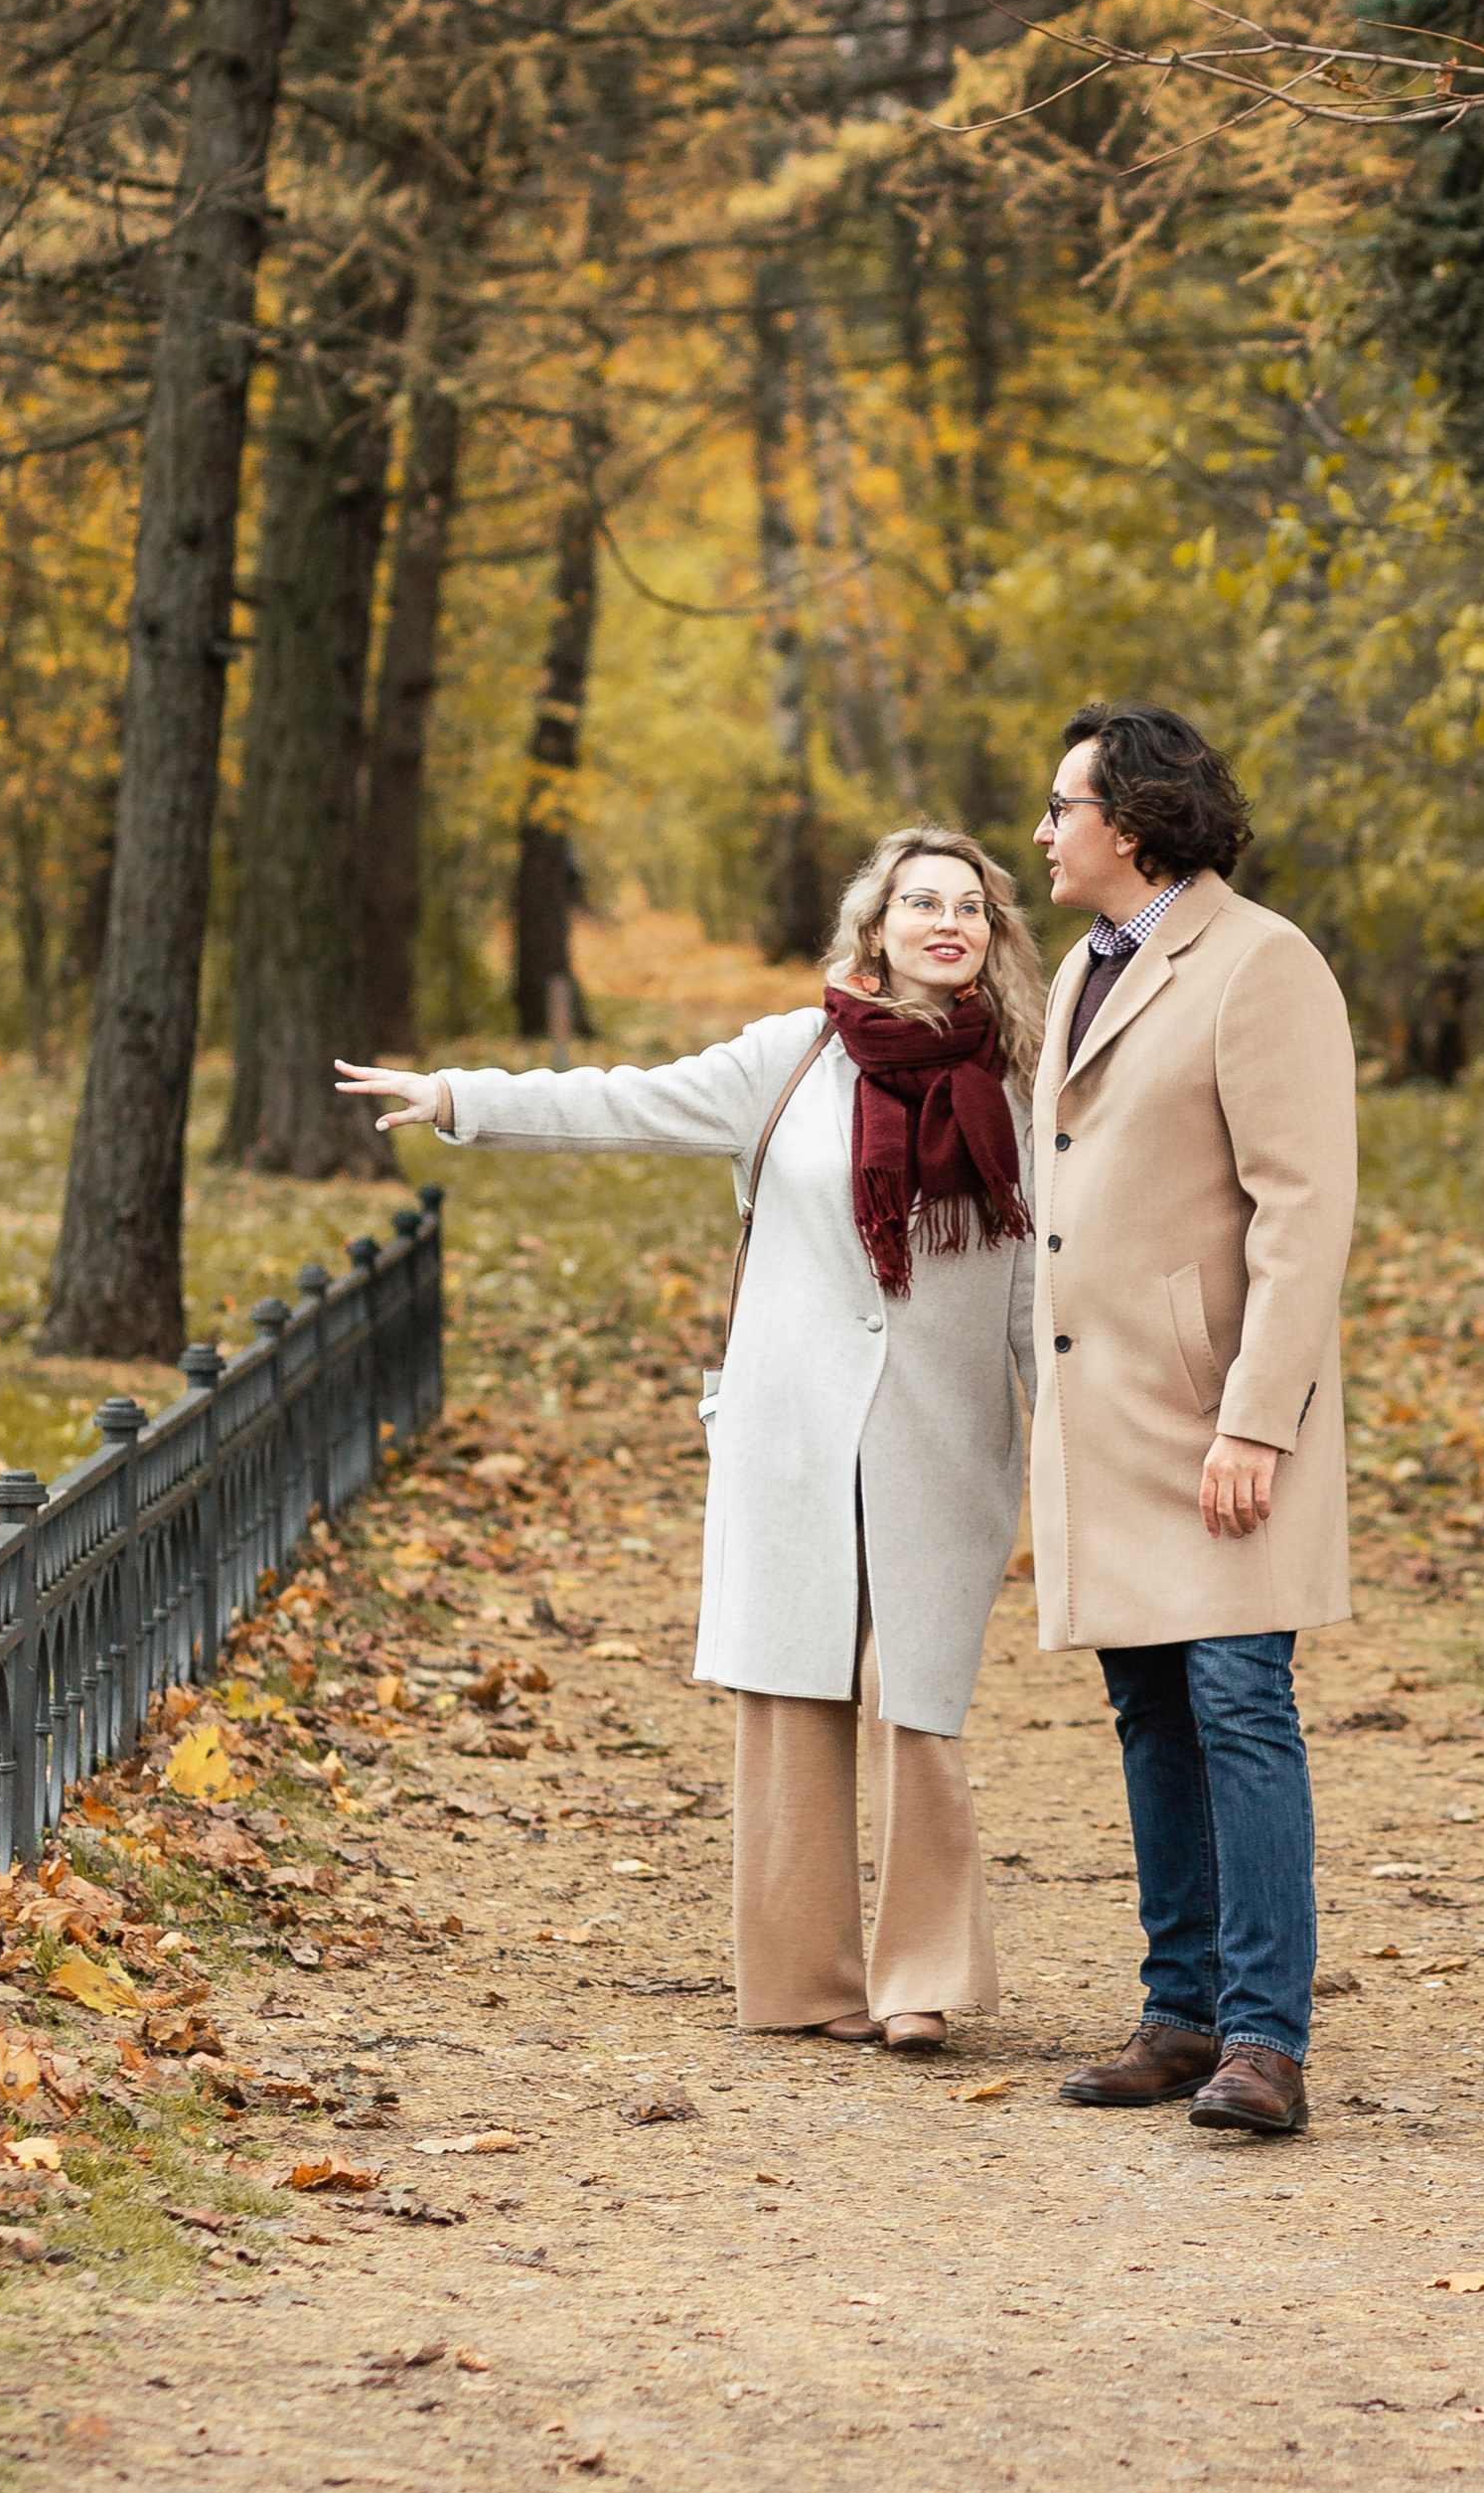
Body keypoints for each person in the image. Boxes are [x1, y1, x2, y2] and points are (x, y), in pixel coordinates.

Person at [335, 828, 1040, 2056]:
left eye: (969, 907)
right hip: (795, 1427)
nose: (946, 921)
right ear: (871, 931)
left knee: (916, 1694)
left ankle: (921, 1972)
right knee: (793, 1687)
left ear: (992, 936)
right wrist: (456, 1099)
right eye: (919, 901)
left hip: (947, 1432)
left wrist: (1071, 1434)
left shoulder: (1025, 1086)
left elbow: (1037, 1283)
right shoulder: (789, 1057)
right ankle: (804, 1979)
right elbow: (622, 1100)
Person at [1029, 703, 1357, 2136]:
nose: (1042, 834)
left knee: (1239, 1704)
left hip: (1219, 1417)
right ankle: (1179, 2011)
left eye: (1061, 808)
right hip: (1112, 1411)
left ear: (1133, 823)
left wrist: (1258, 1421)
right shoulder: (1088, 963)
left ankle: (1265, 2041)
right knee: (1150, 1707)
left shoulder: (1263, 961)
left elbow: (1302, 1209)